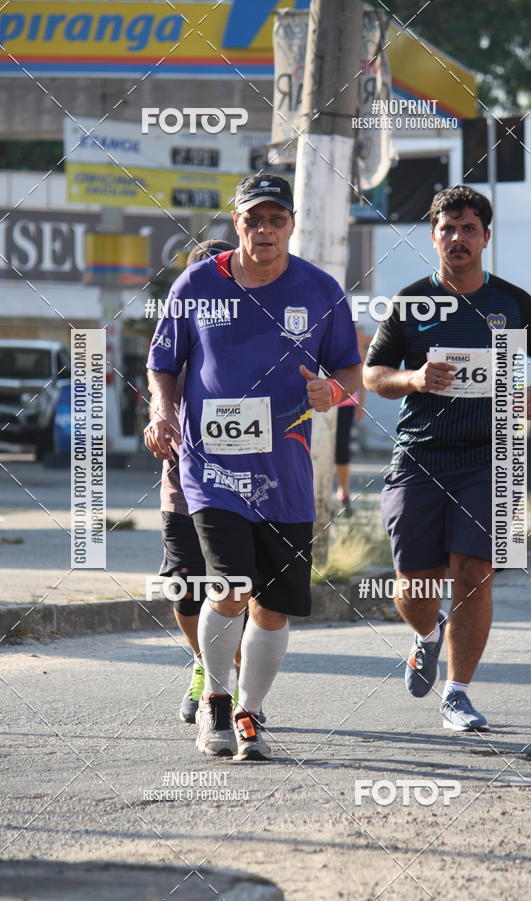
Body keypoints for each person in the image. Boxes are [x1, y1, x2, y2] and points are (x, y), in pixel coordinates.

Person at [145, 174, 361, 760]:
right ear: (235, 223)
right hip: (209, 467)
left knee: (273, 606)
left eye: (275, 219)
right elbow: (163, 363)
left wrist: (332, 392)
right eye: (252, 219)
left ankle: (250, 710)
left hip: (286, 475)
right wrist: (163, 414)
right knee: (231, 586)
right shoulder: (196, 283)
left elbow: (350, 371)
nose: (264, 230)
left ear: (291, 224)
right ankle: (216, 698)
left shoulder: (320, 290)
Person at [363, 185, 531, 732]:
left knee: (474, 573)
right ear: (433, 236)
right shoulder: (410, 302)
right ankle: (426, 635)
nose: (458, 238)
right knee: (416, 584)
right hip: (420, 457)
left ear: (485, 236)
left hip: (491, 458)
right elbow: (372, 376)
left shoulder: (513, 302)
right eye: (447, 229)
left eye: (468, 229)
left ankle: (457, 693)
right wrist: (412, 378)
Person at [144, 239, 235, 725]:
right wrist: (157, 419)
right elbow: (159, 380)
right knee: (184, 584)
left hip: (246, 482)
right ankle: (203, 664)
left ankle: (232, 683)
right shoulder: (178, 327)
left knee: (237, 585)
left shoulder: (247, 328)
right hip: (183, 480)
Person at [335, 327, 368, 517]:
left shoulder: (354, 331)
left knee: (341, 448)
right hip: (317, 401)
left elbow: (360, 366)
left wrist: (361, 402)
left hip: (345, 400)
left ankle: (343, 492)